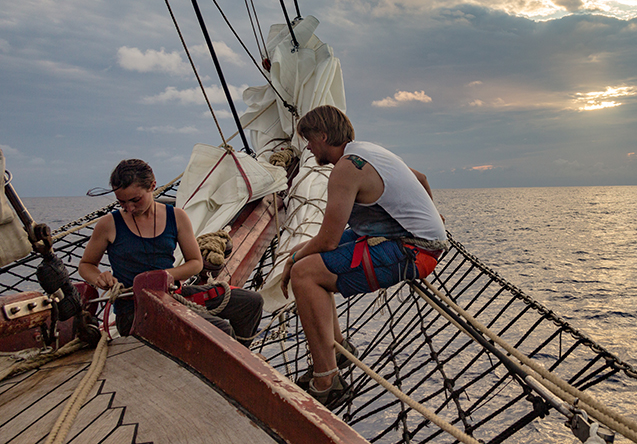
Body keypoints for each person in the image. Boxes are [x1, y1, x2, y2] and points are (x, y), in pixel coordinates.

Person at [281, 105, 448, 407]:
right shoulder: (369, 152)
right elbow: (421, 178)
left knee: (304, 274)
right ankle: (339, 351)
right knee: (304, 257)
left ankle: (326, 380)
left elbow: (329, 241)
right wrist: (432, 217)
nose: (307, 146)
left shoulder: (347, 168)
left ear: (323, 134)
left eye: (309, 139)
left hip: (414, 249)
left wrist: (293, 262)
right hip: (414, 238)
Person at [80, 159, 263, 346]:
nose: (130, 208)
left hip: (174, 295)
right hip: (134, 310)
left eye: (135, 200)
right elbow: (86, 265)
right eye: (122, 202)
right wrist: (99, 279)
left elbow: (195, 263)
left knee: (251, 302)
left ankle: (242, 358)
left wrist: (164, 276)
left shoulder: (176, 217)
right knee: (221, 330)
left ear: (152, 186)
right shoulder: (109, 224)